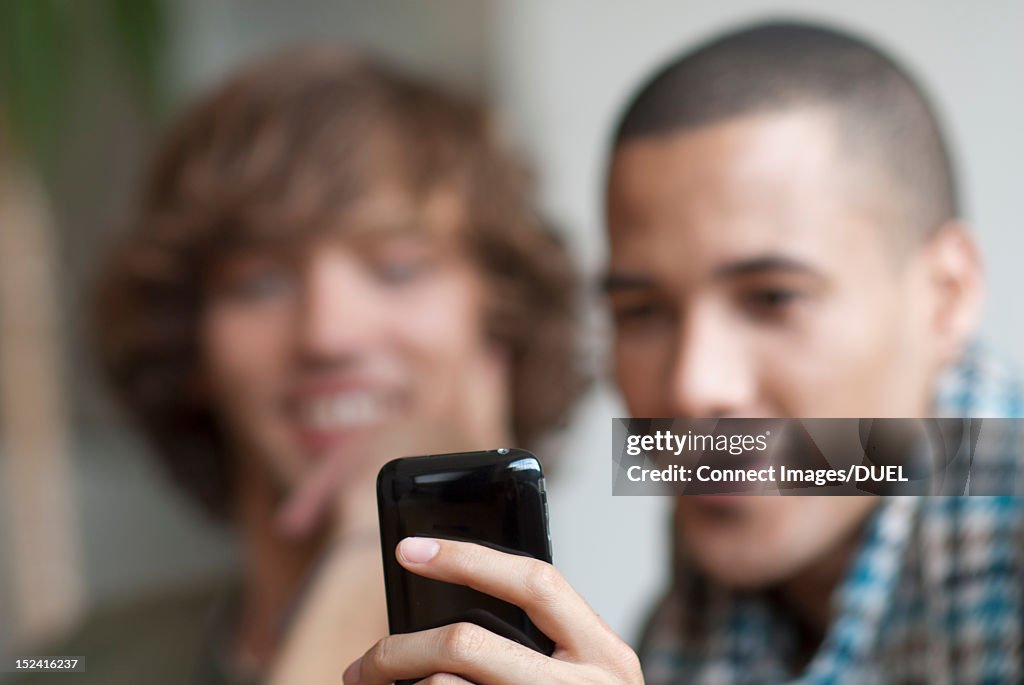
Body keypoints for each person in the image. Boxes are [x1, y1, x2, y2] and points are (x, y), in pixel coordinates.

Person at [342, 21, 1023, 685]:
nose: (694, 386)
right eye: (642, 311)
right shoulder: (701, 602)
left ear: (947, 295)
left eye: (773, 298)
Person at [13, 47, 585, 685]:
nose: (328, 334)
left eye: (398, 268)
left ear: (499, 325)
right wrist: (365, 555)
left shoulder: (586, 668)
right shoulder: (70, 661)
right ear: (187, 340)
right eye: (258, 283)